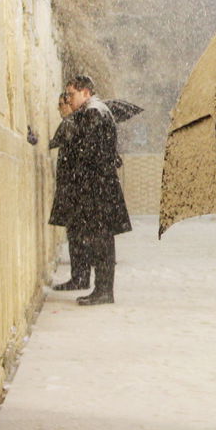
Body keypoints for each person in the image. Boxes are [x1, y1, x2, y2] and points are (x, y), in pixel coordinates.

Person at [50, 75, 132, 306]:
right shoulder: (94, 112)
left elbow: (89, 152)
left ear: (85, 92)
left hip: (97, 188)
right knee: (99, 238)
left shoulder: (93, 112)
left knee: (101, 240)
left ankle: (104, 290)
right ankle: (101, 289)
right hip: (98, 187)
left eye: (72, 94)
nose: (69, 99)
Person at [48, 92, 89, 291]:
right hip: (76, 189)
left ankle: (79, 277)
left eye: (61, 104)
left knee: (77, 235)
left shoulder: (70, 124)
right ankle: (81, 276)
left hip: (74, 189)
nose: (59, 109)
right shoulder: (77, 123)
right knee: (78, 235)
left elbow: (52, 143)